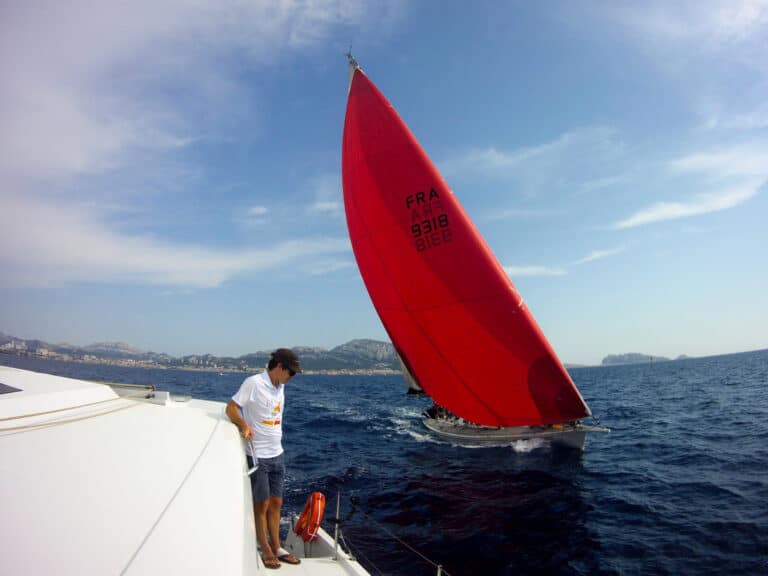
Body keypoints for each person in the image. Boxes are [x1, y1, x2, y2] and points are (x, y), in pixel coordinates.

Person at [226, 348, 303, 570]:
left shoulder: (280, 387)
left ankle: (277, 546)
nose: (292, 378)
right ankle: (265, 548)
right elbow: (231, 408)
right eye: (291, 372)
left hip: (277, 454)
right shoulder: (253, 383)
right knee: (262, 504)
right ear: (279, 366)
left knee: (277, 502)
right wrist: (244, 425)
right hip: (258, 455)